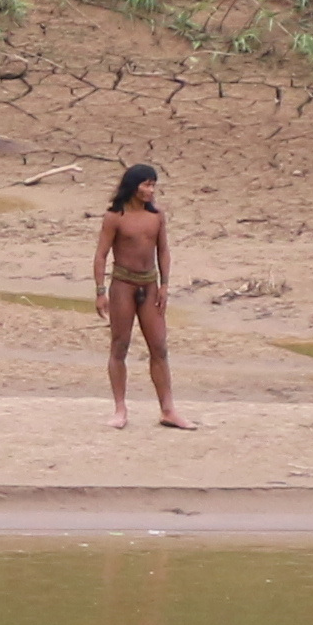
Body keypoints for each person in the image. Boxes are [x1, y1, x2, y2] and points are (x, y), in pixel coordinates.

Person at [94, 160, 190, 430]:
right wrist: (101, 291)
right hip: (123, 284)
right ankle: (120, 408)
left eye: (153, 184)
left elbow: (163, 250)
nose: (151, 190)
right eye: (147, 184)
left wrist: (164, 285)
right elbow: (101, 254)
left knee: (159, 347)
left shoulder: (156, 215)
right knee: (120, 346)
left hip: (150, 286)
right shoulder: (115, 216)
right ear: (134, 186)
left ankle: (168, 409)